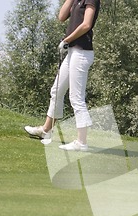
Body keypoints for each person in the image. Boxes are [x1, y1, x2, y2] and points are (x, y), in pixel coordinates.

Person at [24, 0, 100, 151]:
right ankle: (46, 130)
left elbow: (86, 25)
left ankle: (81, 142)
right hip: (73, 52)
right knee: (56, 90)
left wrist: (67, 40)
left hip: (82, 53)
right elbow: (61, 16)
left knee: (76, 98)